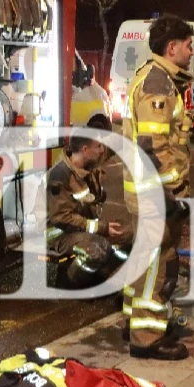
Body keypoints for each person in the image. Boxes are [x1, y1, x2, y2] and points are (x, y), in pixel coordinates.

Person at [120, 15, 194, 360]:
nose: (192, 51)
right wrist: (175, 190)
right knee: (159, 263)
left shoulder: (155, 79)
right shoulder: (158, 84)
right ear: (172, 47)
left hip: (144, 191)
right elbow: (155, 146)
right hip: (156, 195)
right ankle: (147, 337)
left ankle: (133, 322)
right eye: (188, 45)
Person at [40, 117, 130, 288]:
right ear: (85, 149)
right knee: (98, 248)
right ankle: (70, 282)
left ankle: (100, 273)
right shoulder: (60, 177)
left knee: (127, 235)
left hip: (80, 227)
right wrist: (101, 228)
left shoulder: (89, 162)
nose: (102, 150)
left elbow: (115, 144)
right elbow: (61, 218)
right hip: (57, 233)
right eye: (98, 147)